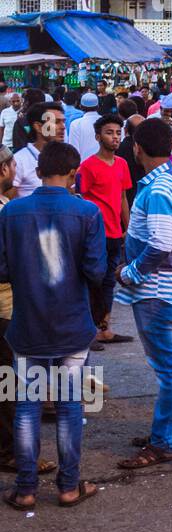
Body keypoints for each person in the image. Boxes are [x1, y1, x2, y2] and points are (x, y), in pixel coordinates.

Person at [0, 142, 107, 509]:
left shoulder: (12, 211)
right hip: (72, 326)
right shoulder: (87, 212)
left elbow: (0, 269)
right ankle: (68, 485)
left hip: (27, 325)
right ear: (73, 173)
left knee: (26, 406)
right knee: (69, 406)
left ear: (40, 169)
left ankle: (26, 489)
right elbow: (96, 271)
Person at [114, 118, 172, 470]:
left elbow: (160, 244)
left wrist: (130, 273)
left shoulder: (159, 189)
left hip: (157, 290)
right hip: (171, 287)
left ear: (137, 149)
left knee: (167, 367)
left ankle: (163, 441)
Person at [0, 147, 57, 477]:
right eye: (10, 165)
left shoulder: (9, 207)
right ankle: (13, 452)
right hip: (6, 309)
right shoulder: (6, 211)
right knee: (10, 382)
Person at [78, 115, 135, 348]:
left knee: (109, 281)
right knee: (92, 281)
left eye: (118, 133)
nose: (115, 137)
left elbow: (122, 197)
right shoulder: (87, 166)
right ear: (97, 136)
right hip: (93, 235)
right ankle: (88, 331)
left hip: (114, 233)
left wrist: (128, 227)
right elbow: (79, 197)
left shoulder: (122, 164)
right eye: (109, 132)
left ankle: (104, 329)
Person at [13, 100, 65, 199]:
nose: (63, 127)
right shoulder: (19, 161)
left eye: (63, 122)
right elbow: (8, 201)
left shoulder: (66, 157)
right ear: (39, 127)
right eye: (56, 122)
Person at [67, 92, 102, 160]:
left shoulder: (75, 124)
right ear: (98, 106)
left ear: (80, 106)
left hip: (83, 167)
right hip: (106, 166)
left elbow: (74, 150)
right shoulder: (107, 122)